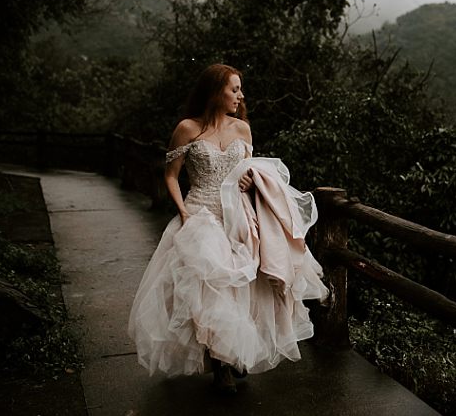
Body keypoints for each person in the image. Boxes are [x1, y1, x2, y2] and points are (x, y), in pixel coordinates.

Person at [127, 64, 326, 394]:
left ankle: (232, 355)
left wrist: (249, 180)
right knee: (209, 293)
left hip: (237, 216)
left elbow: (248, 171)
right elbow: (171, 176)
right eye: (234, 89)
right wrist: (183, 213)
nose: (240, 95)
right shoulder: (187, 129)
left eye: (240, 89)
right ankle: (221, 369)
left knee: (241, 291)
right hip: (199, 215)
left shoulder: (243, 130)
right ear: (215, 90)